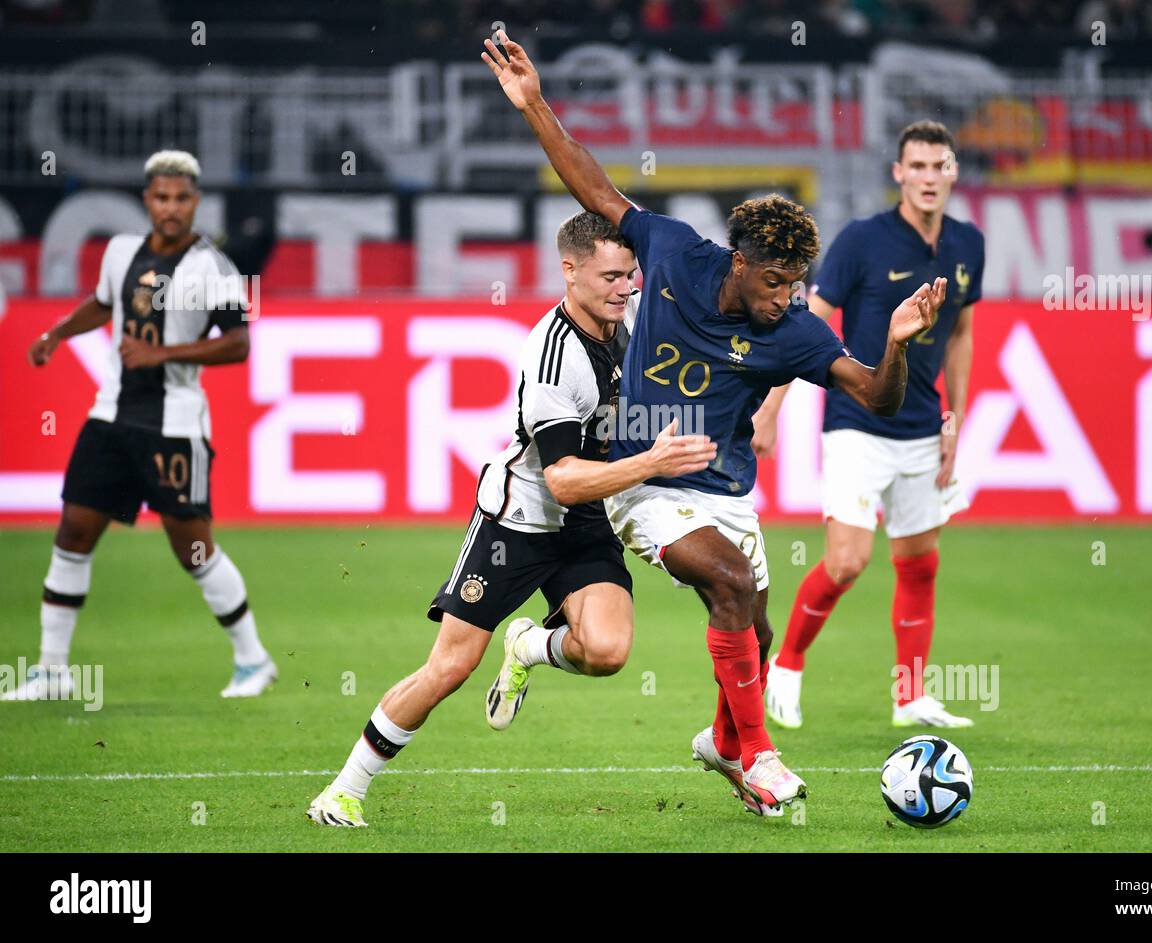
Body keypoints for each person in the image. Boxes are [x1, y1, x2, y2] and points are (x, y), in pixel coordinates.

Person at [482, 30, 943, 816]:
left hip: (728, 490)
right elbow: (592, 188)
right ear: (737, 261)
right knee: (731, 581)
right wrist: (536, 107)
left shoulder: (793, 328)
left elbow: (874, 395)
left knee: (753, 635)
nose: (784, 297)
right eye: (773, 281)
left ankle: (721, 743)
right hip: (649, 479)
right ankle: (759, 756)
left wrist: (895, 344)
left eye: (795, 283)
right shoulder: (670, 252)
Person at [307, 211, 716, 827]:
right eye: (610, 276)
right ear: (569, 270)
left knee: (606, 651)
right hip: (519, 521)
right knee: (452, 666)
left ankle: (529, 645)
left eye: (630, 274)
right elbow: (561, 478)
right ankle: (343, 789)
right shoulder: (553, 356)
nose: (624, 288)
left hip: (586, 521)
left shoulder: (630, 322)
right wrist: (652, 462)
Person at [3, 150, 275, 702]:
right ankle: (53, 671)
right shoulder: (120, 251)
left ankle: (254, 659)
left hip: (173, 426)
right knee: (73, 532)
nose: (170, 208)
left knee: (193, 550)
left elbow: (238, 343)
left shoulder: (212, 267)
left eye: (181, 199)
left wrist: (163, 354)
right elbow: (105, 304)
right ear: (147, 200)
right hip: (109, 417)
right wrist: (57, 333)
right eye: (161, 197)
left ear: (195, 202)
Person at [758, 120, 983, 730]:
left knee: (918, 564)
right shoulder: (862, 240)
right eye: (918, 166)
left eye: (940, 166)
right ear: (899, 174)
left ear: (953, 172)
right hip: (857, 420)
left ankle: (910, 696)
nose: (929, 177)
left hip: (921, 427)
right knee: (849, 561)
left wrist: (953, 420)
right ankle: (788, 662)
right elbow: (809, 327)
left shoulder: (968, 246)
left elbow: (960, 334)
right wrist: (771, 408)